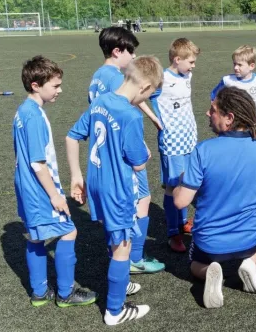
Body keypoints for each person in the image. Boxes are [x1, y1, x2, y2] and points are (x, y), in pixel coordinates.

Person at [66, 56, 163, 325]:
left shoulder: (101, 101)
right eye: (151, 92)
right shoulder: (130, 114)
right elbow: (139, 164)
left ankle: (120, 282)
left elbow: (72, 135)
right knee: (123, 246)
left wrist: (76, 176)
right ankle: (115, 310)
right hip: (117, 189)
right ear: (144, 88)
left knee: (114, 237)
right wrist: (144, 152)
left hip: (97, 183)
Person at [174, 86, 256, 309]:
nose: (207, 114)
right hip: (250, 238)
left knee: (194, 264)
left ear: (229, 118)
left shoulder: (203, 150)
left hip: (210, 243)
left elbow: (181, 201)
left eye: (213, 110)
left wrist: (175, 184)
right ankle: (250, 262)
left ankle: (212, 274)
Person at [13, 55, 97, 307]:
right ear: (36, 85)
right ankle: (65, 293)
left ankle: (39, 293)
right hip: (40, 190)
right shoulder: (35, 117)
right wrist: (54, 195)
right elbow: (38, 163)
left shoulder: (22, 111)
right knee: (70, 231)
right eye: (55, 85)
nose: (60, 90)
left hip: (25, 187)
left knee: (35, 236)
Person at [89, 26, 164, 274]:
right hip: (123, 152)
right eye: (130, 51)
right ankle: (135, 257)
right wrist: (140, 144)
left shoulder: (98, 75)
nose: (133, 57)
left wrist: (152, 117)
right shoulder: (114, 77)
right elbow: (124, 105)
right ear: (117, 51)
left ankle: (122, 252)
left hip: (104, 150)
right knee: (142, 199)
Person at [150, 38, 200, 252]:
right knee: (173, 185)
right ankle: (173, 233)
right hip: (172, 141)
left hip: (189, 137)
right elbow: (141, 97)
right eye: (190, 61)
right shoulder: (161, 78)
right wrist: (155, 120)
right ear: (177, 59)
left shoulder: (187, 74)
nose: (193, 66)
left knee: (187, 181)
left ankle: (183, 221)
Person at [210, 45, 256, 136]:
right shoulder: (227, 80)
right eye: (234, 64)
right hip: (230, 129)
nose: (236, 68)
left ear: (251, 66)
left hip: (254, 129)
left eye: (240, 65)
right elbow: (214, 97)